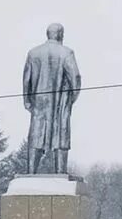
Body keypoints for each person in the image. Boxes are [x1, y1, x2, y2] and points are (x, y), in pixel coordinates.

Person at [22, 23, 81, 174]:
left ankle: (31, 171)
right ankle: (60, 171)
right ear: (60, 34)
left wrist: (28, 101)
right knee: (60, 135)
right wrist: (70, 99)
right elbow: (75, 78)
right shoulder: (66, 53)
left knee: (36, 134)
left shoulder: (33, 53)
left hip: (39, 102)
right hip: (60, 102)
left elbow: (26, 80)